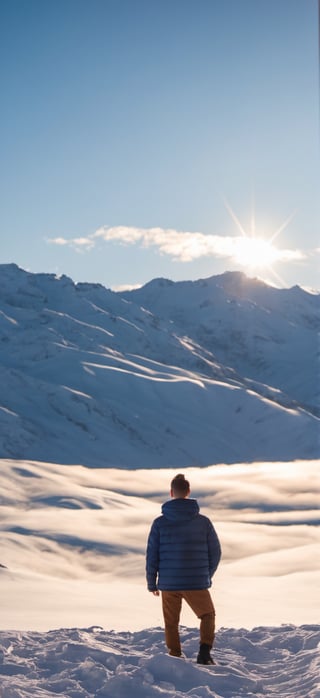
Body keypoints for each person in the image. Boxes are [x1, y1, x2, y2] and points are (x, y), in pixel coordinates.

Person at [146, 473, 221, 664]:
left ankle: (175, 656)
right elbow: (216, 552)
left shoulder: (159, 523)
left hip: (169, 582)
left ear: (171, 493)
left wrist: (151, 582)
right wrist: (206, 575)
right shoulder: (203, 522)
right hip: (196, 581)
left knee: (171, 623)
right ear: (189, 492)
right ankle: (204, 652)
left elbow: (152, 554)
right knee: (207, 615)